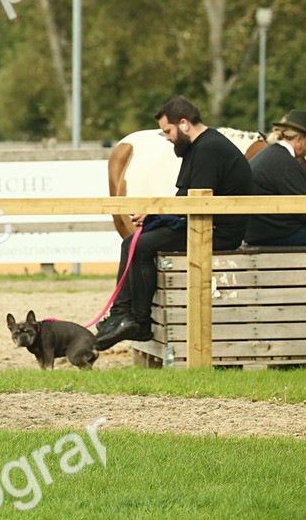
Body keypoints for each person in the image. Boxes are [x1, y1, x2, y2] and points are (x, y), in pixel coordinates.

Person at [95, 96, 253, 350]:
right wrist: (153, 216)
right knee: (131, 241)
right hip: (201, 222)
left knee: (142, 246)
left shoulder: (209, 149)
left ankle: (139, 321)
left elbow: (193, 204)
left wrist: (157, 217)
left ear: (184, 124)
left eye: (168, 131)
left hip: (216, 231)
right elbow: (183, 199)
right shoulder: (198, 147)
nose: (167, 137)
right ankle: (120, 314)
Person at [245, 109, 306, 246]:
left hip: (259, 231)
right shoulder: (286, 164)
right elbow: (302, 208)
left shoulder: (270, 154)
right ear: (300, 139)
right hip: (276, 233)